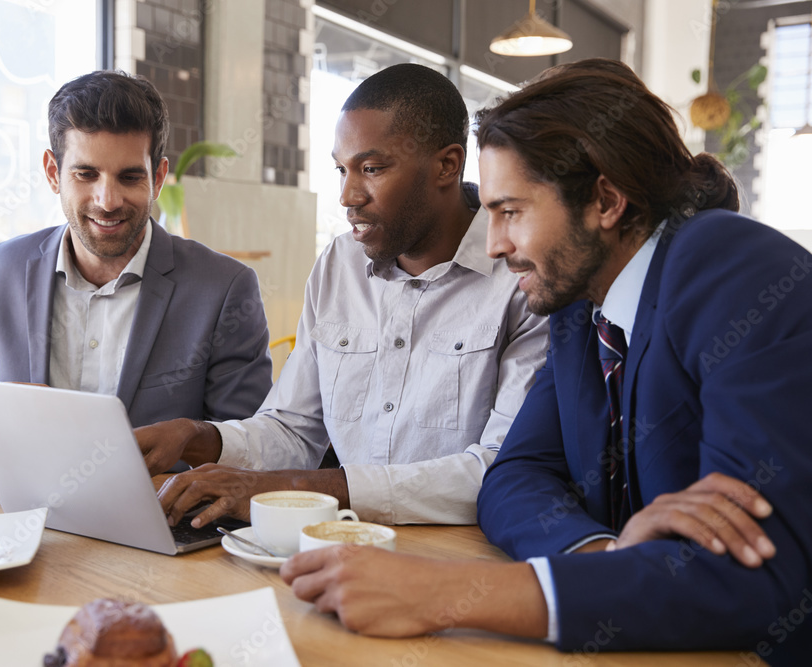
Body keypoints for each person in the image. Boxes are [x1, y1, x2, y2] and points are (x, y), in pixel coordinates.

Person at [280, 58, 812, 664]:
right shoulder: (582, 309)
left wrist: (443, 592)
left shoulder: (734, 270)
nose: (494, 244)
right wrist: (603, 556)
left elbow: (752, 578)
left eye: (511, 212)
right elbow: (511, 478)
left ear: (605, 201)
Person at [137, 63, 548, 528]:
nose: (348, 195)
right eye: (341, 169)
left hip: (458, 560)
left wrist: (296, 490)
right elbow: (294, 427)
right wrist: (196, 437)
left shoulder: (522, 275)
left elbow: (498, 467)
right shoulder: (338, 264)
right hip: (338, 547)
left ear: (447, 165)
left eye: (371, 168)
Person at [0, 70, 273, 459]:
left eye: (129, 177)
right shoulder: (4, 267)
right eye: (85, 174)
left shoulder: (224, 288)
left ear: (158, 179)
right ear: (53, 172)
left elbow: (249, 445)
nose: (107, 200)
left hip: (162, 515)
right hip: (23, 509)